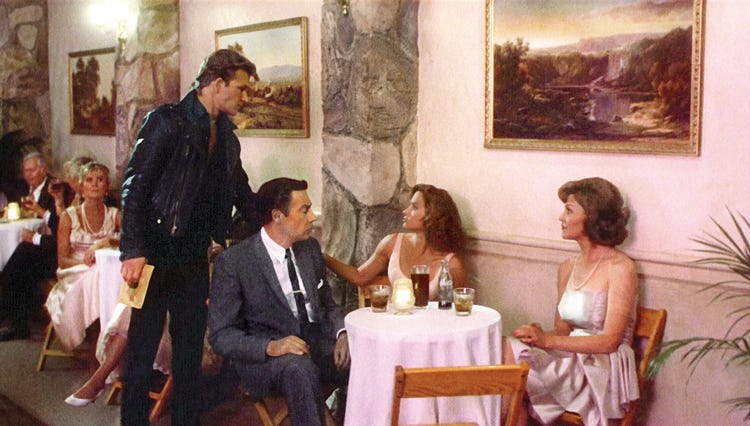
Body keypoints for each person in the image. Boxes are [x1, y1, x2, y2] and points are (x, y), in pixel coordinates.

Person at [118, 48, 262, 425]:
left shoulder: (227, 138)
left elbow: (241, 192)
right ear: (217, 84)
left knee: (188, 355)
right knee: (141, 351)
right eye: (241, 89)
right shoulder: (167, 121)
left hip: (193, 256)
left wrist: (273, 218)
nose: (246, 97)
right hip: (153, 253)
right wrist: (132, 250)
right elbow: (134, 187)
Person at [209, 178, 350, 426]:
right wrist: (270, 346)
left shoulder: (309, 249)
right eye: (304, 210)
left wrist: (342, 332)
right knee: (299, 368)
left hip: (316, 345)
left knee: (367, 353)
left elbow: (328, 305)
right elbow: (221, 335)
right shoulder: (235, 262)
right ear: (277, 216)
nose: (313, 218)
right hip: (267, 360)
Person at [503, 177, 639, 426]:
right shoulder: (567, 267)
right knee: (507, 348)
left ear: (591, 216)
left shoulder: (620, 267)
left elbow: (610, 341)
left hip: (599, 368)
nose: (560, 217)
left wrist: (546, 341)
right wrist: (537, 335)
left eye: (568, 210)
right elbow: (562, 331)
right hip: (571, 358)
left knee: (512, 366)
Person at [324, 184, 467, 298]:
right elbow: (359, 276)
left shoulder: (452, 265)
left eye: (414, 207)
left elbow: (456, 311)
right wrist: (322, 257)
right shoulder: (392, 243)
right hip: (393, 321)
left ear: (432, 215)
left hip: (428, 325)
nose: (405, 211)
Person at [45, 162, 121, 352]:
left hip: (106, 272)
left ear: (106, 186)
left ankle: (109, 345)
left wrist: (104, 243)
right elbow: (62, 261)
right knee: (97, 278)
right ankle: (98, 347)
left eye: (100, 180)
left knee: (106, 278)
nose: (94, 184)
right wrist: (85, 262)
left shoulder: (114, 215)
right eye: (89, 180)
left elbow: (133, 239)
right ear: (81, 186)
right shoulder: (68, 216)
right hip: (75, 271)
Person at [0, 151, 73, 341]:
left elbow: (60, 228)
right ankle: (17, 318)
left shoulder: (56, 189)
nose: (28, 175)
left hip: (55, 251)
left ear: (44, 170)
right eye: (25, 171)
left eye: (32, 170)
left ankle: (17, 322)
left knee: (18, 264)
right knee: (20, 259)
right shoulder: (23, 188)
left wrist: (37, 226)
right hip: (40, 245)